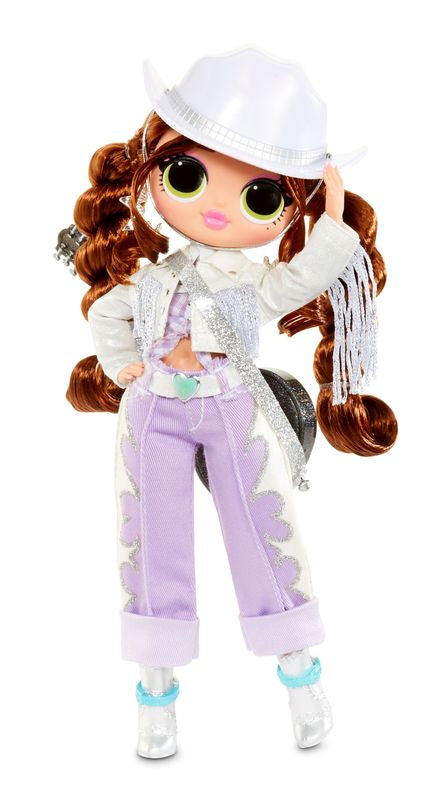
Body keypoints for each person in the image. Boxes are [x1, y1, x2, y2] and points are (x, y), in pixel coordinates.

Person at [65, 46, 397, 758]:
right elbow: (106, 313)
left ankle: (301, 680)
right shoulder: (152, 277)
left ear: (288, 207)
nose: (216, 208)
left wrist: (333, 219)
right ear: (154, 169)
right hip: (152, 410)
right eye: (188, 176)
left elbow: (300, 279)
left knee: (264, 533)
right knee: (150, 541)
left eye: (260, 197)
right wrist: (122, 366)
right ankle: (155, 698)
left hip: (231, 406)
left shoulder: (252, 282)